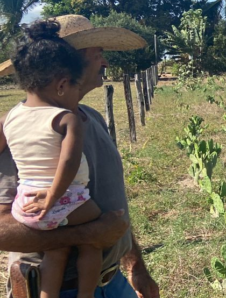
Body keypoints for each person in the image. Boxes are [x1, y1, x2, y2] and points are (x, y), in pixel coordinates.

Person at [0, 15, 159, 298]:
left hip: (112, 281)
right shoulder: (27, 132)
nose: (106, 63)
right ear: (69, 62)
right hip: (59, 288)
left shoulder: (92, 118)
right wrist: (87, 236)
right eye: (98, 53)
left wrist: (136, 265)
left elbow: (111, 205)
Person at [0, 20, 102, 298]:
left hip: (27, 205)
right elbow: (68, 164)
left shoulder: (9, 118)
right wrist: (53, 197)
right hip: (61, 200)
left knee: (56, 254)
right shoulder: (66, 119)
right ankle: (87, 294)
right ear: (61, 85)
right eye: (74, 86)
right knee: (95, 238)